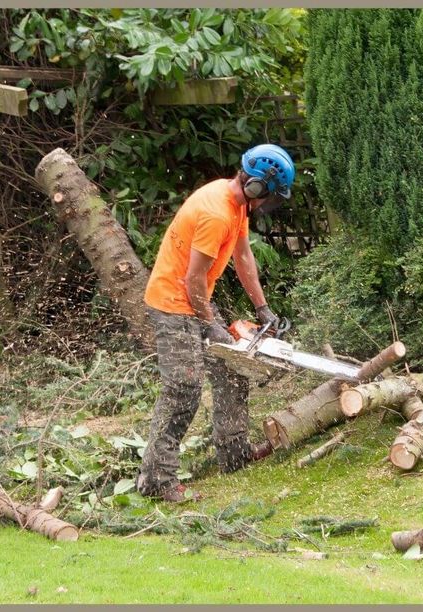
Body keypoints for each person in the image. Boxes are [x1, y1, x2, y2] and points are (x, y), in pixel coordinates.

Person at [136, 144, 295, 502]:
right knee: (183, 388)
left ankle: (234, 454)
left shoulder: (236, 204)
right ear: (256, 186)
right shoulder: (216, 213)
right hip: (173, 303)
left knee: (231, 369)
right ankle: (157, 480)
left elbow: (243, 257)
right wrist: (210, 324)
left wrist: (263, 308)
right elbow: (194, 279)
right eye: (268, 195)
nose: (267, 203)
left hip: (194, 301)